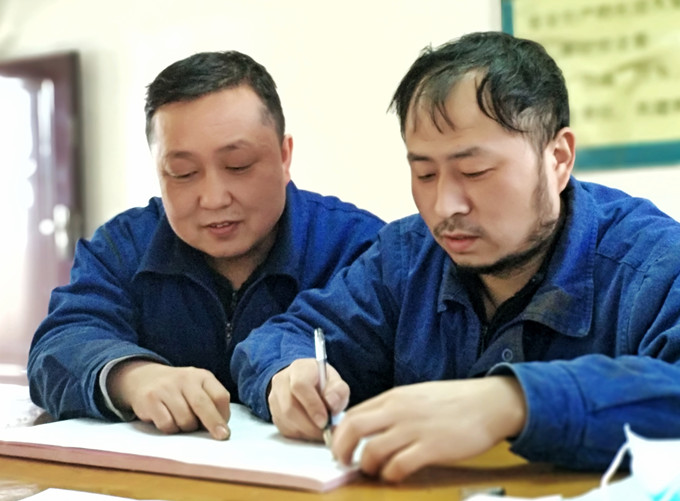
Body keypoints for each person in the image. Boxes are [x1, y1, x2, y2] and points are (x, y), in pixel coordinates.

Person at [232, 31, 680, 481]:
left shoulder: (653, 263)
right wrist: (287, 373)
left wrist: (512, 403)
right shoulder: (406, 257)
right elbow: (282, 336)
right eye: (425, 174)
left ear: (558, 158)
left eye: (475, 171)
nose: (446, 206)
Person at [27, 50, 384, 441]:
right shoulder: (123, 246)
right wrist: (132, 376)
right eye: (182, 173)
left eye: (238, 165)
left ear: (284, 157)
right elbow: (58, 347)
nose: (214, 199)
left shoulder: (360, 247)